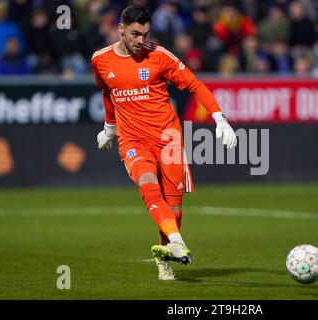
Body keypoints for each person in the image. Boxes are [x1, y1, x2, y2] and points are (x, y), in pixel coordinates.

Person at [91, 5, 237, 280]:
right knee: (147, 182)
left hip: (168, 138)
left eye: (145, 33)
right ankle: (177, 242)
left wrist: (220, 118)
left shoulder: (159, 56)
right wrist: (110, 129)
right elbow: (107, 93)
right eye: (135, 34)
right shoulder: (100, 60)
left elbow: (194, 84)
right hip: (132, 139)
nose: (140, 40)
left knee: (174, 207)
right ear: (120, 29)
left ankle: (165, 254)